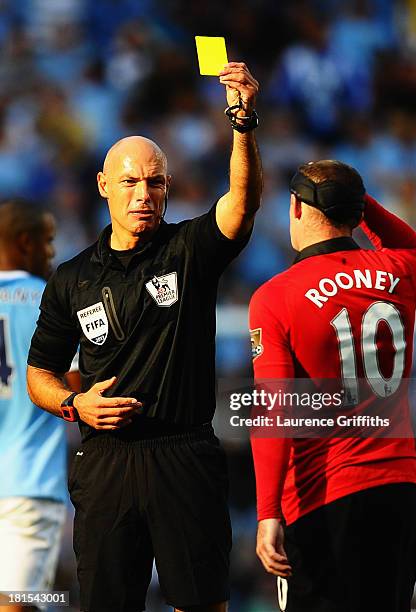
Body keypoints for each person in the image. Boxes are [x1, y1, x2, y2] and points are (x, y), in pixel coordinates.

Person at [26, 61, 261, 612]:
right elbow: (40, 373)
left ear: (168, 186)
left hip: (184, 453)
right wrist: (74, 404)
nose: (143, 193)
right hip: (105, 460)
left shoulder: (189, 250)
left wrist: (242, 125)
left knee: (201, 604)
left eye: (155, 181)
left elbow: (242, 205)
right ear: (104, 186)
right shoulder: (72, 278)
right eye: (130, 181)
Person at [249, 160, 416, 612]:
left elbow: (274, 408)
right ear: (356, 211)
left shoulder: (276, 297)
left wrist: (268, 511)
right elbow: (415, 246)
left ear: (296, 207)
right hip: (397, 488)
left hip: (322, 494)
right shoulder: (399, 272)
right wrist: (354, 197)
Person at [0, 199, 74, 612]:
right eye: (47, 241)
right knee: (22, 603)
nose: (52, 252)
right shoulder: (51, 299)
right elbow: (79, 387)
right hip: (28, 485)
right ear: (25, 243)